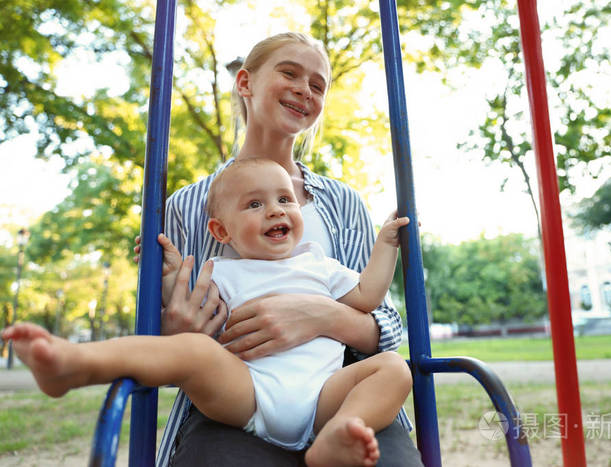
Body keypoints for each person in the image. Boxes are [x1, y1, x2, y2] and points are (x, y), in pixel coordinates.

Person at [3, 158, 413, 467]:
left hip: (325, 397)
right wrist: (168, 278)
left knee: (394, 368)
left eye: (285, 199)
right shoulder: (223, 272)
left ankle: (338, 436)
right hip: (249, 392)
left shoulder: (319, 265)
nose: (275, 210)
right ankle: (76, 364)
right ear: (222, 232)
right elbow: (195, 319)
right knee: (194, 352)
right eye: (255, 204)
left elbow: (366, 296)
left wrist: (386, 246)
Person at [140, 32, 423, 466]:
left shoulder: (342, 203)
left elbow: (382, 327)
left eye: (317, 84)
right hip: (240, 398)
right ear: (245, 83)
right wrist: (175, 325)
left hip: (336, 391)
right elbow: (167, 332)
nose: (303, 89)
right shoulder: (188, 206)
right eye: (289, 73)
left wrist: (321, 314)